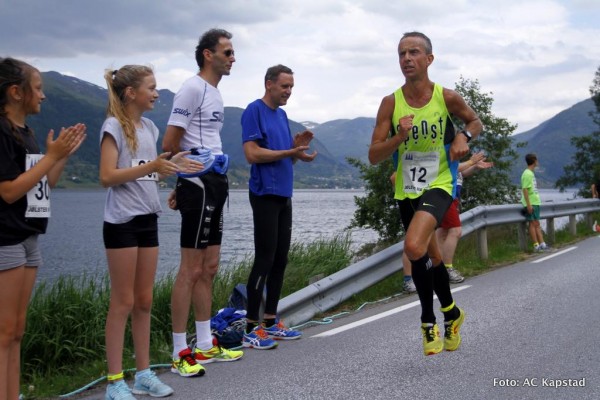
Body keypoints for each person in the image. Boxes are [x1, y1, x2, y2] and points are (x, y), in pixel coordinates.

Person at [368, 32, 482, 356]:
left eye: (414, 52)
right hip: (407, 188)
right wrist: (398, 137)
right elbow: (374, 155)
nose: (406, 58)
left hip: (440, 181)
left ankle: (427, 320)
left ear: (429, 59)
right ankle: (452, 313)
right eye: (402, 53)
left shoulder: (445, 97)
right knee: (427, 256)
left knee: (413, 245)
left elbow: (475, 121)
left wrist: (463, 136)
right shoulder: (391, 103)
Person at [100, 65, 203, 399]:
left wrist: (170, 168)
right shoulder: (113, 126)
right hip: (121, 223)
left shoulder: (150, 127)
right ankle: (115, 381)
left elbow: (145, 174)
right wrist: (153, 166)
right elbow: (107, 177)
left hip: (148, 219)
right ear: (131, 92)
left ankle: (143, 374)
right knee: (123, 301)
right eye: (152, 88)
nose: (157, 93)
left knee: (144, 301)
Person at [0, 58, 86, 400]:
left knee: (17, 330)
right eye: (38, 88)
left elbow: (42, 185)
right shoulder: (1, 132)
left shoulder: (27, 133)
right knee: (4, 331)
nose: (43, 96)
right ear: (16, 92)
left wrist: (60, 156)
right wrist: (51, 156)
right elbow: (8, 191)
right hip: (6, 237)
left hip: (30, 236)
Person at [162, 28, 243, 378]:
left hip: (216, 182)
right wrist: (182, 178)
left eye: (232, 51)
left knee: (209, 267)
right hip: (198, 183)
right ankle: (179, 349)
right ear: (208, 54)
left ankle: (206, 343)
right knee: (190, 269)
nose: (232, 57)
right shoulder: (192, 87)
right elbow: (169, 141)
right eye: (227, 52)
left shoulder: (215, 93)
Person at [240, 64, 317, 349]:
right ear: (269, 84)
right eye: (285, 86)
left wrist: (299, 153)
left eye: (291, 87)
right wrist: (289, 151)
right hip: (264, 193)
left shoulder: (282, 115)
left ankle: (270, 322)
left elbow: (285, 158)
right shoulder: (253, 110)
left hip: (284, 193)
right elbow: (252, 154)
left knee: (280, 258)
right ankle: (250, 327)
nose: (288, 92)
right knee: (264, 258)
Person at [435, 151, 493, 283]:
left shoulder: (454, 158)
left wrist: (475, 167)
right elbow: (451, 169)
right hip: (447, 196)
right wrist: (471, 161)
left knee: (442, 231)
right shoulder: (446, 154)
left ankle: (438, 269)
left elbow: (461, 174)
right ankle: (447, 268)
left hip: (449, 197)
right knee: (455, 230)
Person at [521, 153, 548, 252]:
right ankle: (536, 245)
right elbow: (525, 189)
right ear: (534, 161)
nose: (538, 162)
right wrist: (528, 204)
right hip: (531, 202)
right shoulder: (527, 173)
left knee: (536, 223)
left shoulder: (531, 173)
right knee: (532, 224)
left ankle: (542, 244)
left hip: (535, 202)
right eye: (537, 160)